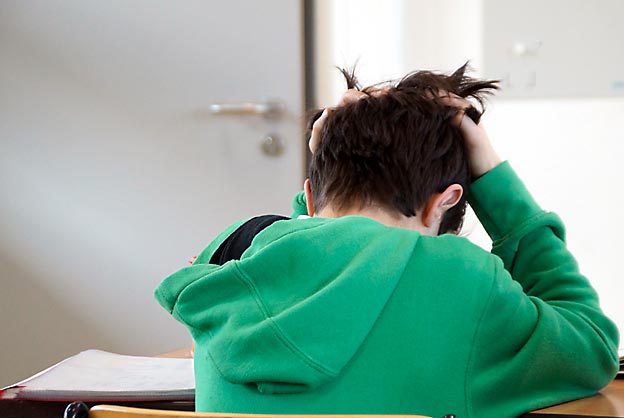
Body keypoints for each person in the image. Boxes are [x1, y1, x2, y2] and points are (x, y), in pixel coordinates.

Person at [155, 64, 619, 418]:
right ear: (445, 203)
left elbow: (310, 256)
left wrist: (318, 192)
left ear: (310, 196)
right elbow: (590, 349)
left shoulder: (231, 255)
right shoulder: (457, 281)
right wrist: (495, 181)